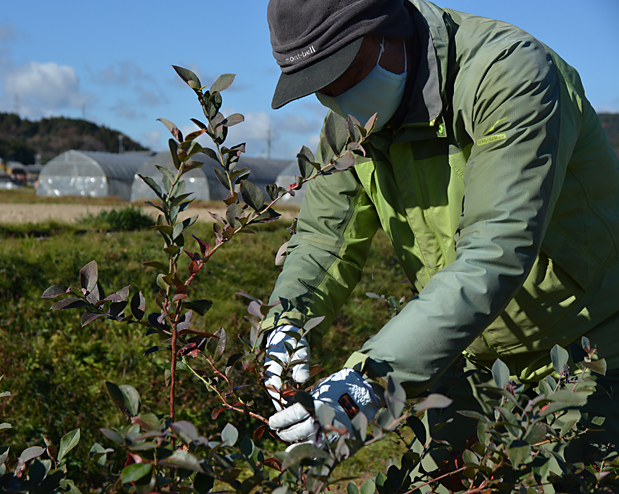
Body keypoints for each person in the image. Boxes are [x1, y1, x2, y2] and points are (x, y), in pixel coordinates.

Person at [261, 0, 619, 464]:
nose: (337, 95)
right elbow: (323, 239)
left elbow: (496, 249)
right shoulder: (349, 128)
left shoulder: (509, 75)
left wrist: (370, 380)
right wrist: (286, 320)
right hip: (464, 350)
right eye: (319, 85)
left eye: (344, 71)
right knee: (439, 476)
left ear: (388, 29)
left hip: (586, 347)